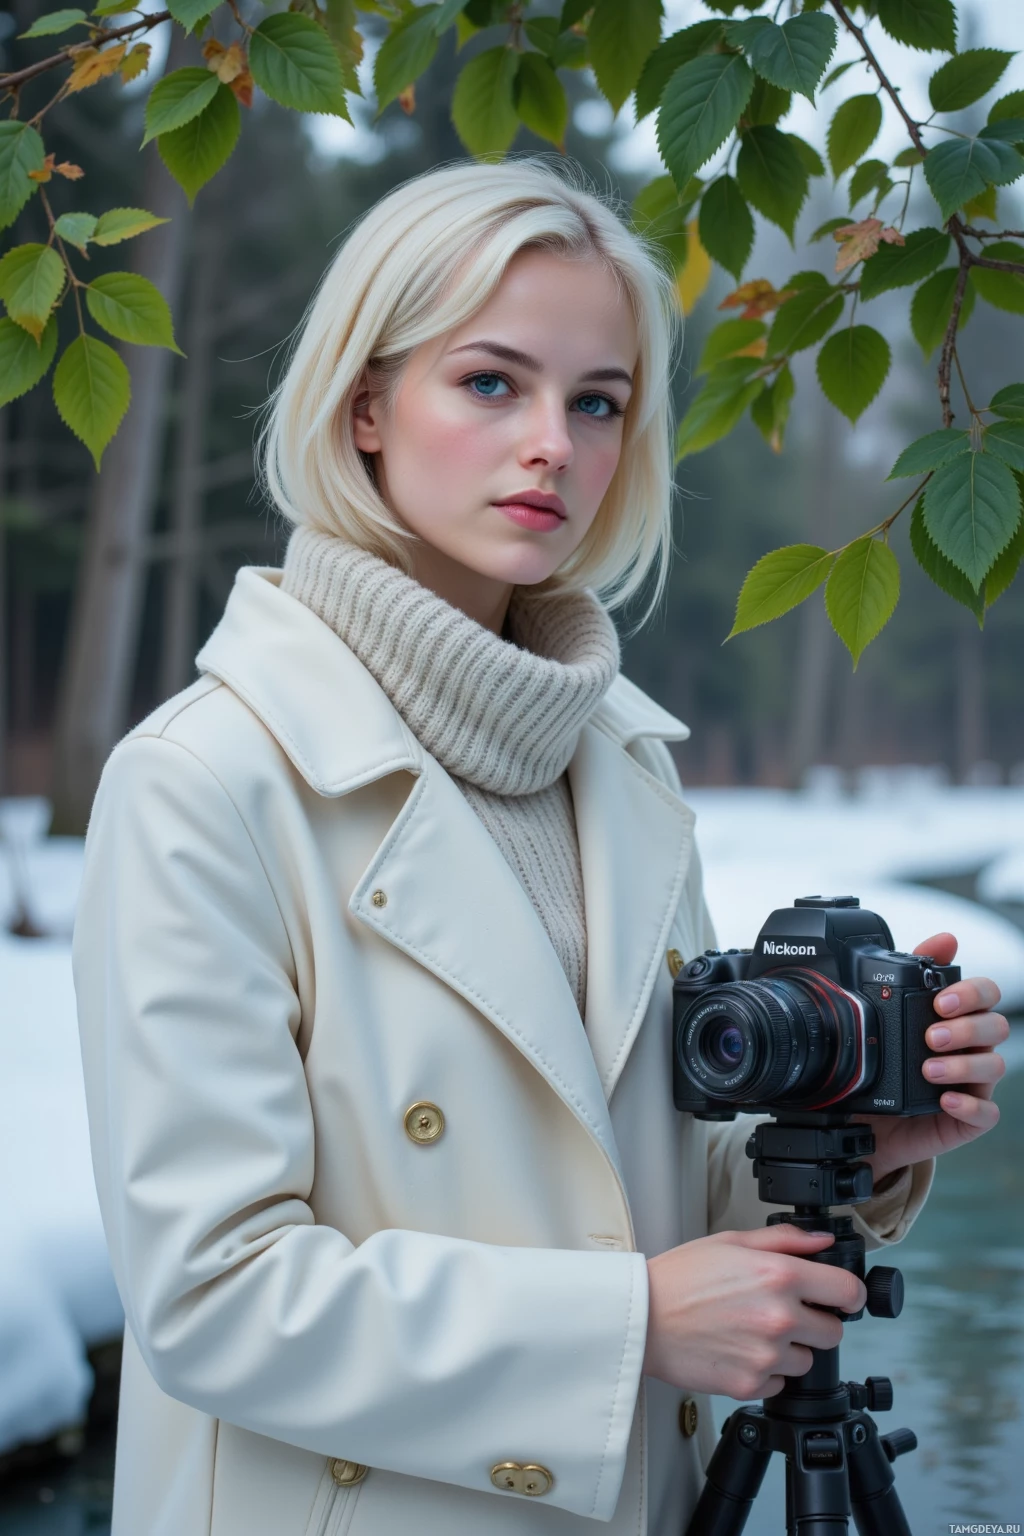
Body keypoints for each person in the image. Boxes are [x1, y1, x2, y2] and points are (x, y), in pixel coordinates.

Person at [72, 158, 1009, 1536]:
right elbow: (213, 1298)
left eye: (598, 402)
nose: (551, 446)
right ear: (367, 402)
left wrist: (853, 1141)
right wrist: (628, 1326)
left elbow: (621, 1193)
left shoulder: (624, 766)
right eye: (491, 381)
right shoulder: (202, 783)